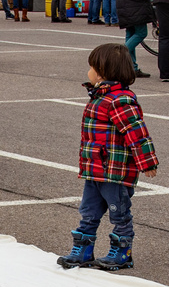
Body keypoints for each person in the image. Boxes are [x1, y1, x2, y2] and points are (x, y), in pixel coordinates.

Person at [58, 42, 159, 272]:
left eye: (91, 67)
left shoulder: (119, 100)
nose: (88, 72)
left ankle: (123, 251)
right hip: (95, 169)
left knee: (119, 212)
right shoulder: (100, 97)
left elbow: (137, 132)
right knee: (88, 210)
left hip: (115, 171)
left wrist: (147, 161)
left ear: (102, 72)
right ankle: (83, 249)